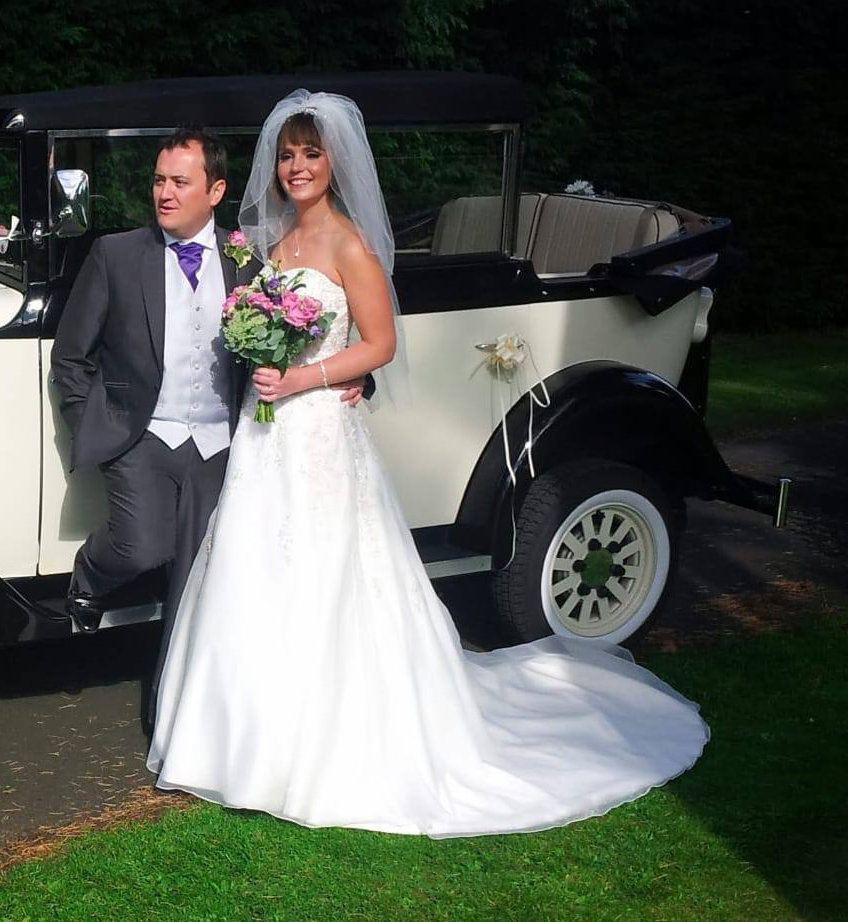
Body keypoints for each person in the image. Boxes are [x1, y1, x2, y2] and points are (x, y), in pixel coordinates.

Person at [145, 90, 709, 838]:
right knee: (252, 565)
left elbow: (380, 343)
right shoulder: (271, 244)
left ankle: (313, 749)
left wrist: (311, 377)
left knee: (325, 571)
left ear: (336, 161)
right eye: (287, 155)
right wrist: (261, 357)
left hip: (315, 429)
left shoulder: (350, 246)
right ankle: (236, 740)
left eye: (311, 154)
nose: (297, 167)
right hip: (265, 431)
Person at [50, 126, 362, 730]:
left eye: (180, 182)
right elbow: (71, 356)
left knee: (198, 585)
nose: (164, 193)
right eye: (160, 180)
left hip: (224, 443)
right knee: (144, 546)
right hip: (143, 437)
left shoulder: (249, 260)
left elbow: (302, 335)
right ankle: (89, 575)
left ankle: (172, 720)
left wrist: (357, 378)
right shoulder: (115, 255)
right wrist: (94, 422)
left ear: (215, 190)